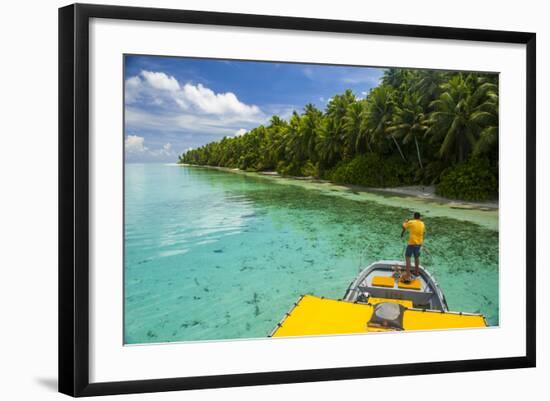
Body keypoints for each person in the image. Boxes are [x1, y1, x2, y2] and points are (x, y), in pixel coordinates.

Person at [401, 212, 425, 282]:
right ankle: (416, 272)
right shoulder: (422, 223)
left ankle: (408, 274)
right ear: (419, 217)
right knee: (416, 257)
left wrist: (405, 221)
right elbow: (423, 233)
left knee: (408, 257)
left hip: (412, 243)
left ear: (414, 217)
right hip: (419, 243)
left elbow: (403, 226)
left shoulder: (411, 222)